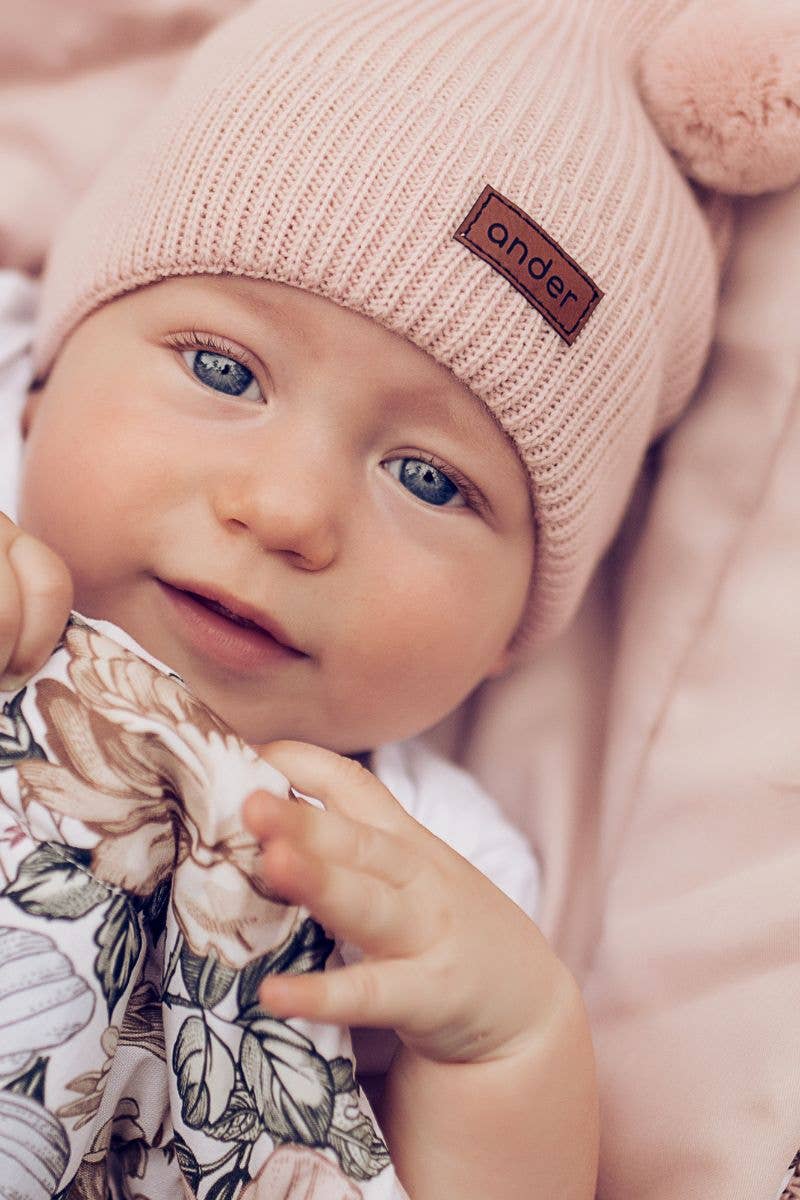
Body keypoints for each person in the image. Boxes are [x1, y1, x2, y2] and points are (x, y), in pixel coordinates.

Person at [0, 0, 728, 1196]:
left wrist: (511, 1051)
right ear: (43, 380)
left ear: (509, 634)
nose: (287, 512)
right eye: (224, 370)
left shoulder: (427, 880)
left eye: (430, 481)